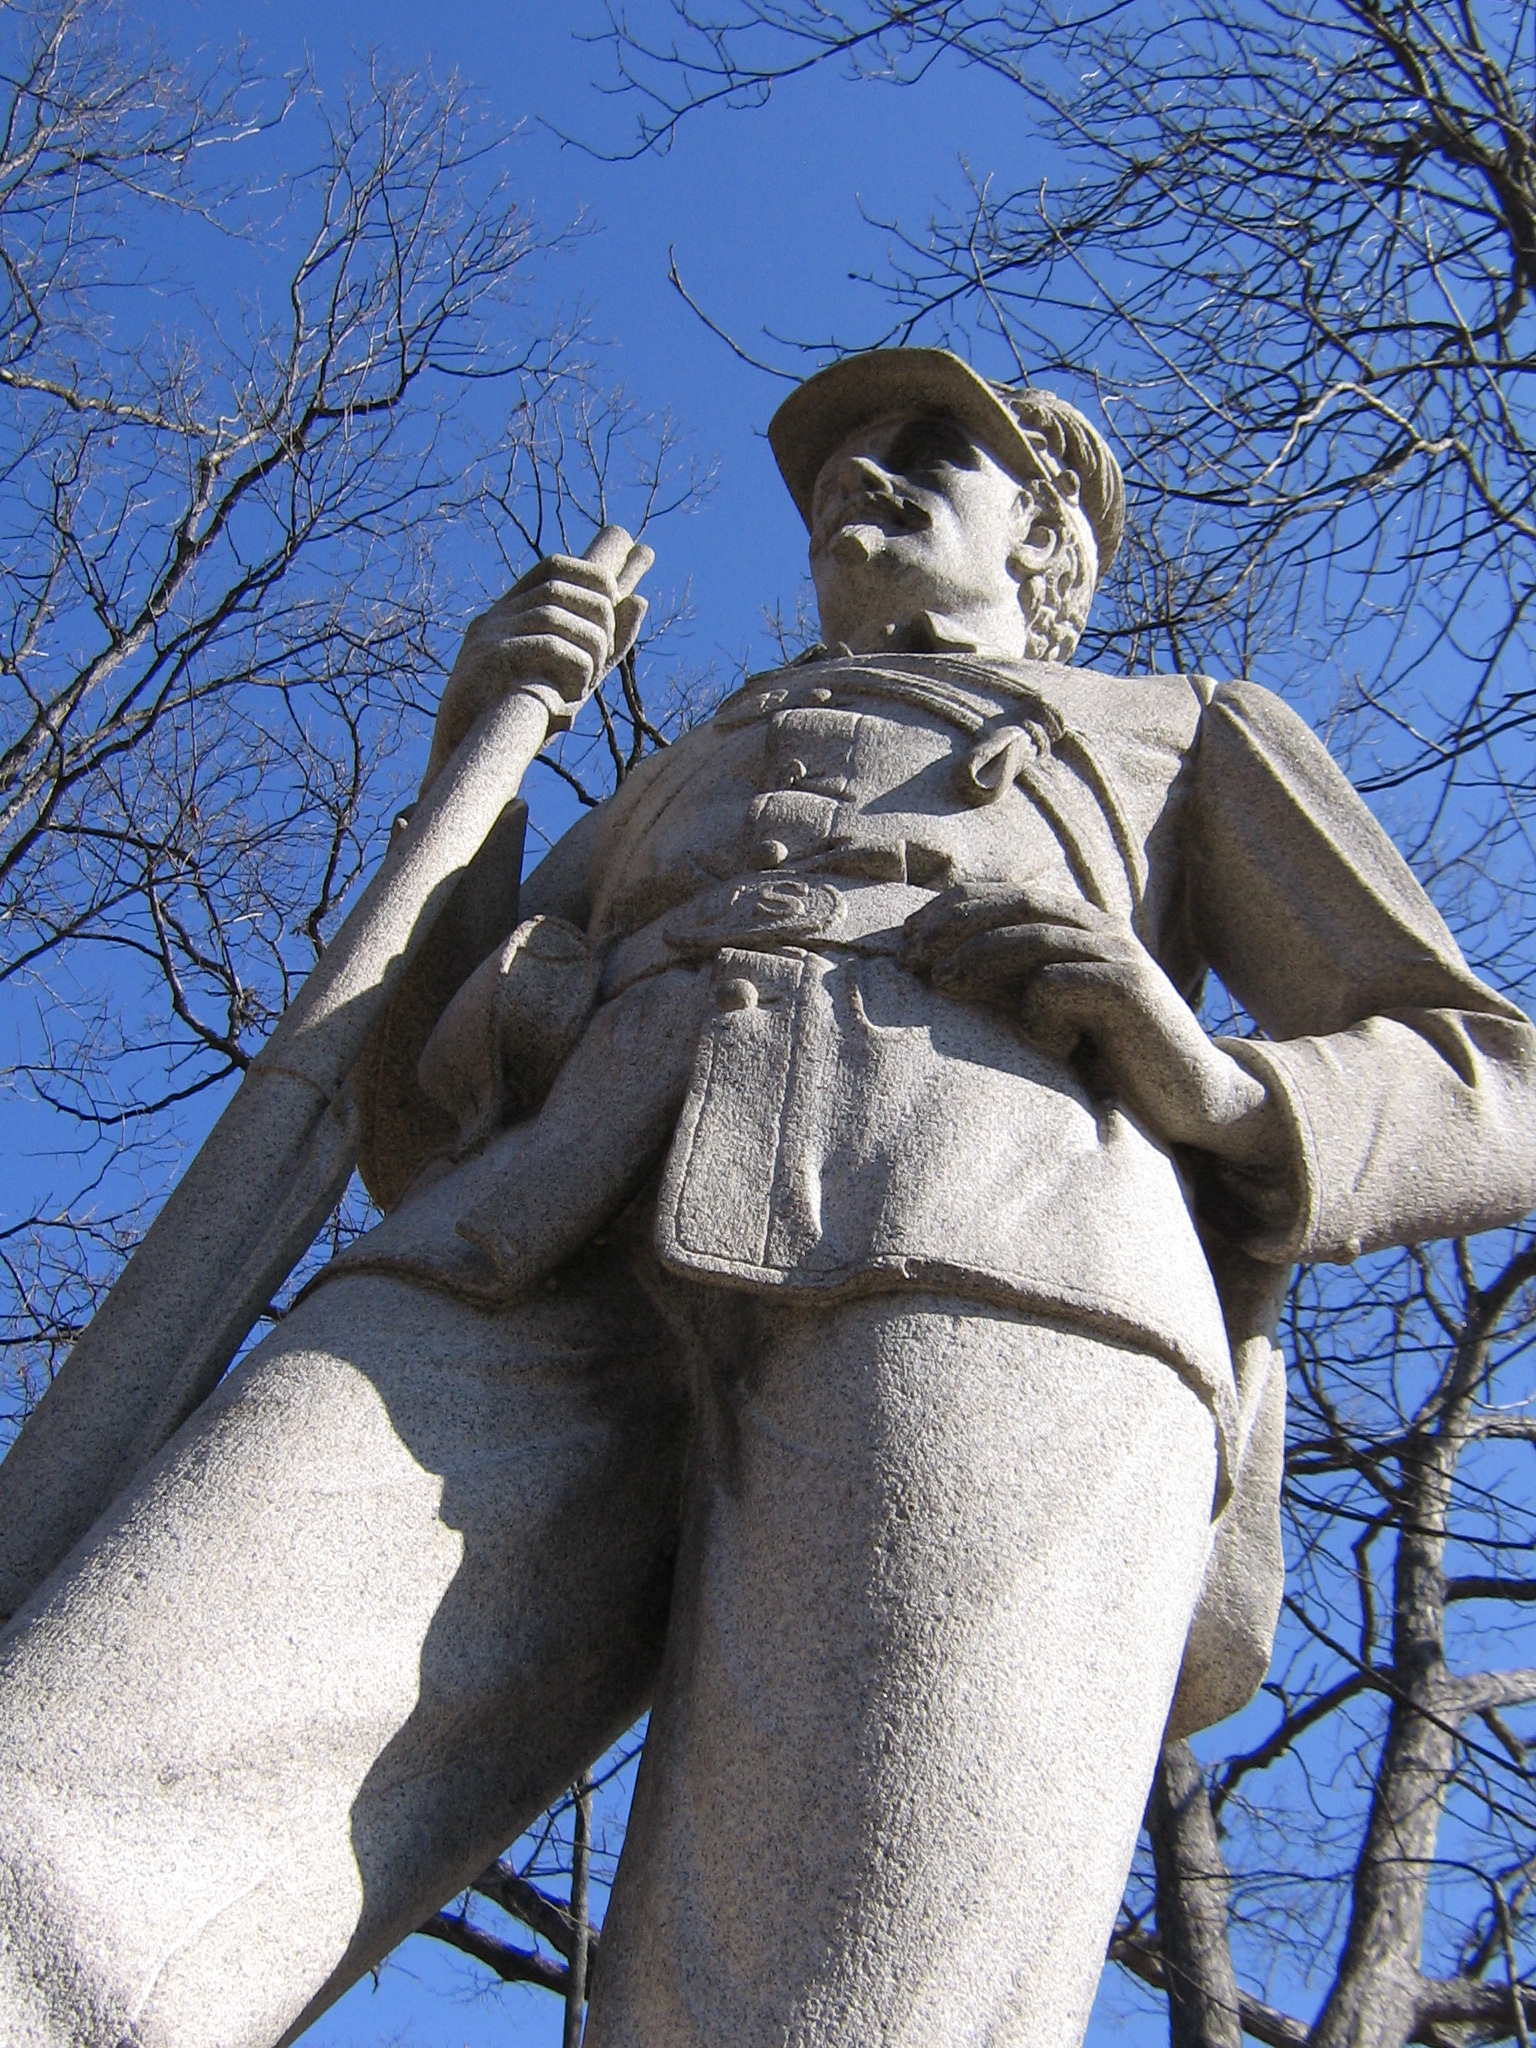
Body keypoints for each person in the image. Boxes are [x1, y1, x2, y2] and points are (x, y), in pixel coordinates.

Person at [2, 349, 1533, 2048]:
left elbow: (1497, 1076)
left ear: (1051, 540)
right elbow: (414, 1092)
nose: (865, 477)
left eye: (932, 449)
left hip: (1006, 1258)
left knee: (834, 1996)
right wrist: (475, 767)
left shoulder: (1186, 731)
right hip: (531, 1240)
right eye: (842, 459)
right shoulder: (686, 767)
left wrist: (1227, 1084)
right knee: (75, 1773)